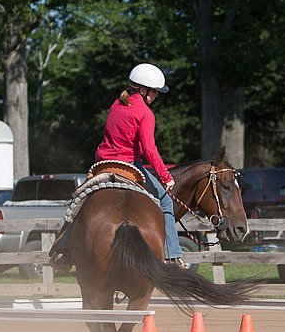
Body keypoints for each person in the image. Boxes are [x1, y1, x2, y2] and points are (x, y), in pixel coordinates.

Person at [50, 62, 185, 270]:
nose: (157, 96)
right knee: (166, 202)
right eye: (155, 92)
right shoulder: (145, 113)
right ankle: (172, 256)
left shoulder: (117, 104)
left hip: (103, 164)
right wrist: (166, 176)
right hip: (130, 165)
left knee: (79, 200)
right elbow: (149, 149)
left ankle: (64, 249)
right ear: (144, 89)